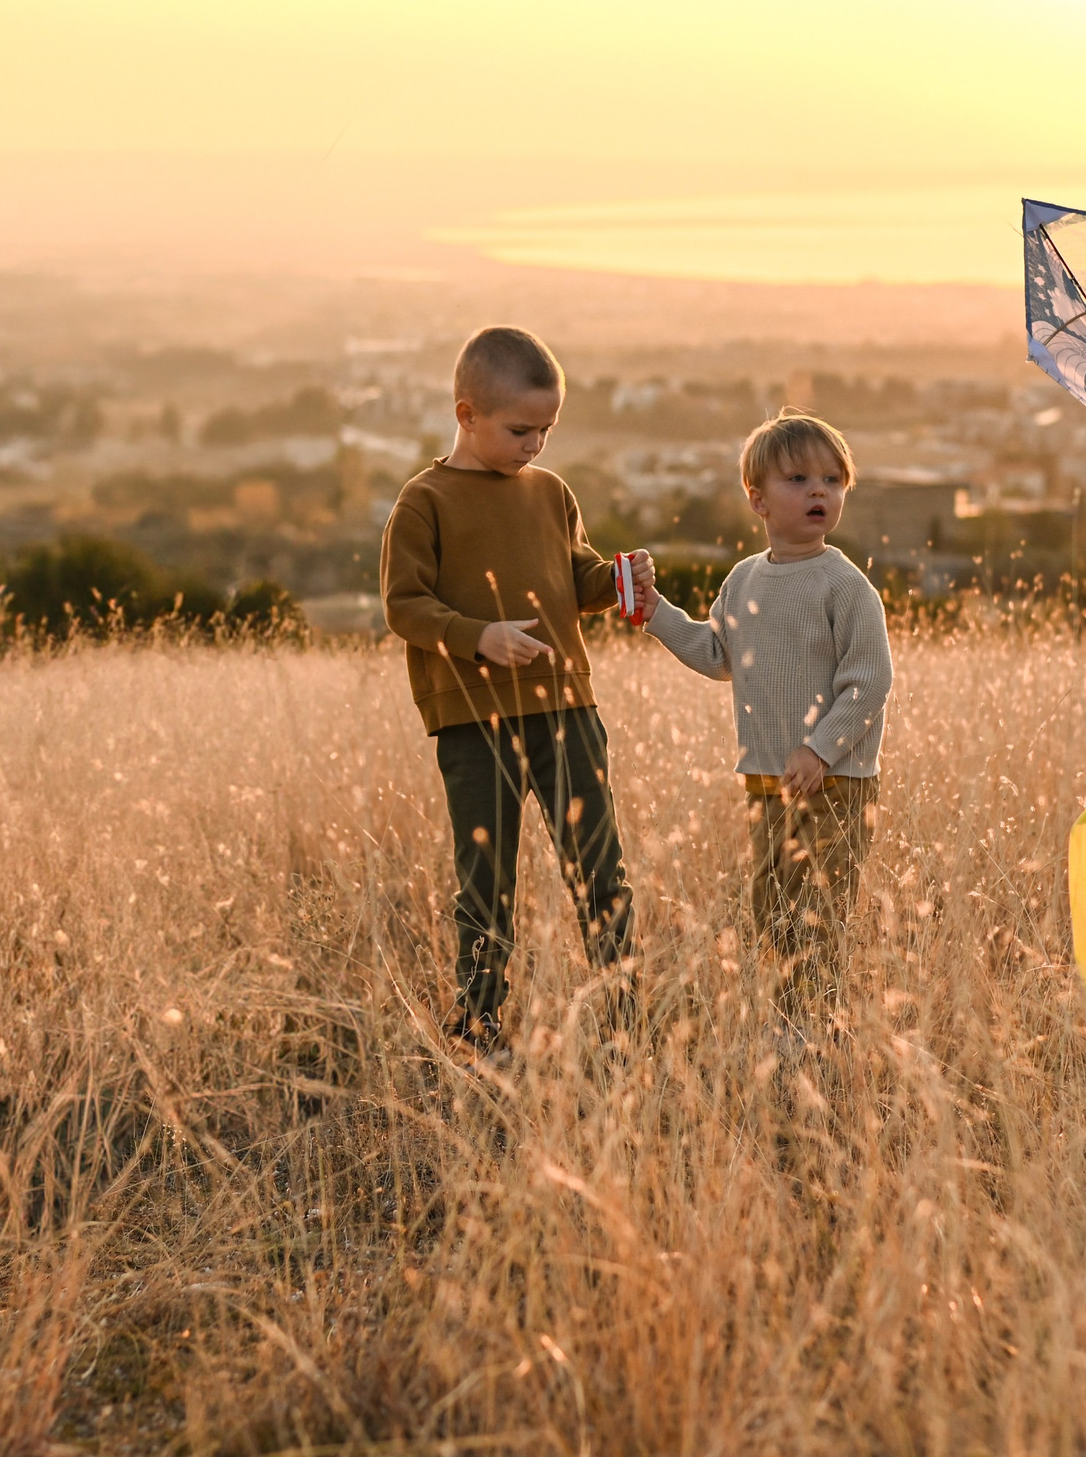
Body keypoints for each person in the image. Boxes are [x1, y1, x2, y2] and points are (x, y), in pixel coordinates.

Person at [379, 325, 642, 1056]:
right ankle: (477, 1026)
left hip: (568, 709)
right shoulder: (424, 500)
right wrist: (478, 636)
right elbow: (404, 605)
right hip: (473, 718)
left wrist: (619, 579)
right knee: (486, 881)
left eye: (547, 429)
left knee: (601, 869)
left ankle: (626, 1022)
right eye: (520, 428)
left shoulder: (552, 493)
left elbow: (575, 577)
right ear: (466, 415)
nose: (536, 444)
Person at [638, 410, 892, 1028]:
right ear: (756, 500)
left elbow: (869, 680)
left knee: (821, 915)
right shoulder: (743, 579)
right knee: (772, 910)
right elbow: (715, 652)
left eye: (833, 480)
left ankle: (817, 1036)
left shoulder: (845, 586)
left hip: (834, 784)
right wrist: (654, 610)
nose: (818, 491)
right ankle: (786, 1026)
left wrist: (821, 749)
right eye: (799, 478)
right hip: (766, 784)